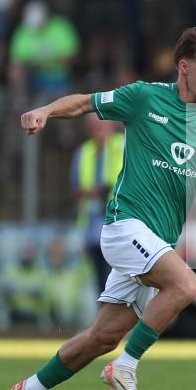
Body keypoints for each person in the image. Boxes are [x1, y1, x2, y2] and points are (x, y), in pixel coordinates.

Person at [8, 28, 196, 390]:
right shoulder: (144, 97)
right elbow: (86, 103)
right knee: (186, 285)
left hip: (158, 239)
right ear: (183, 67)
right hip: (125, 225)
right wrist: (46, 111)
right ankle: (125, 366)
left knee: (102, 336)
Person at [71, 114, 124, 294]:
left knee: (118, 277)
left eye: (99, 123)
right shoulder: (84, 152)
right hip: (92, 225)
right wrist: (90, 192)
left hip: (120, 222)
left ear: (111, 124)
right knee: (100, 280)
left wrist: (106, 190)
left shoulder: (124, 145)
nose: (96, 128)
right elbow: (75, 189)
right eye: (92, 125)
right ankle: (106, 318)